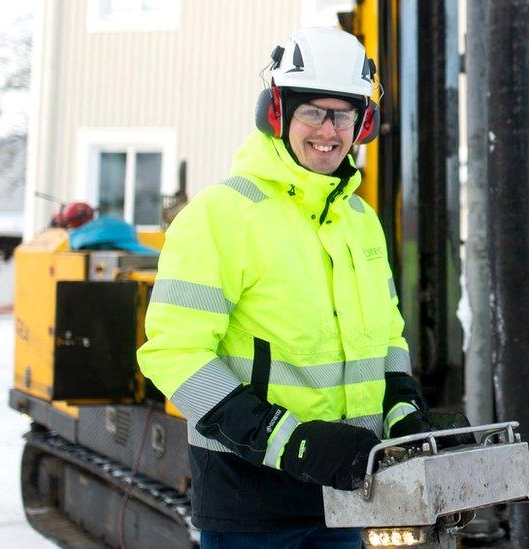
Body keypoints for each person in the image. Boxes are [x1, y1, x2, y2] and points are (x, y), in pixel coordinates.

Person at [138, 27, 464, 548]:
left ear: (364, 123)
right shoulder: (222, 215)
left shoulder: (359, 220)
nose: (330, 131)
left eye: (345, 113)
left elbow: (387, 339)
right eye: (314, 110)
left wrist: (403, 412)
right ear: (277, 113)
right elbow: (174, 354)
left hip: (349, 496)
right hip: (251, 501)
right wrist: (289, 443)